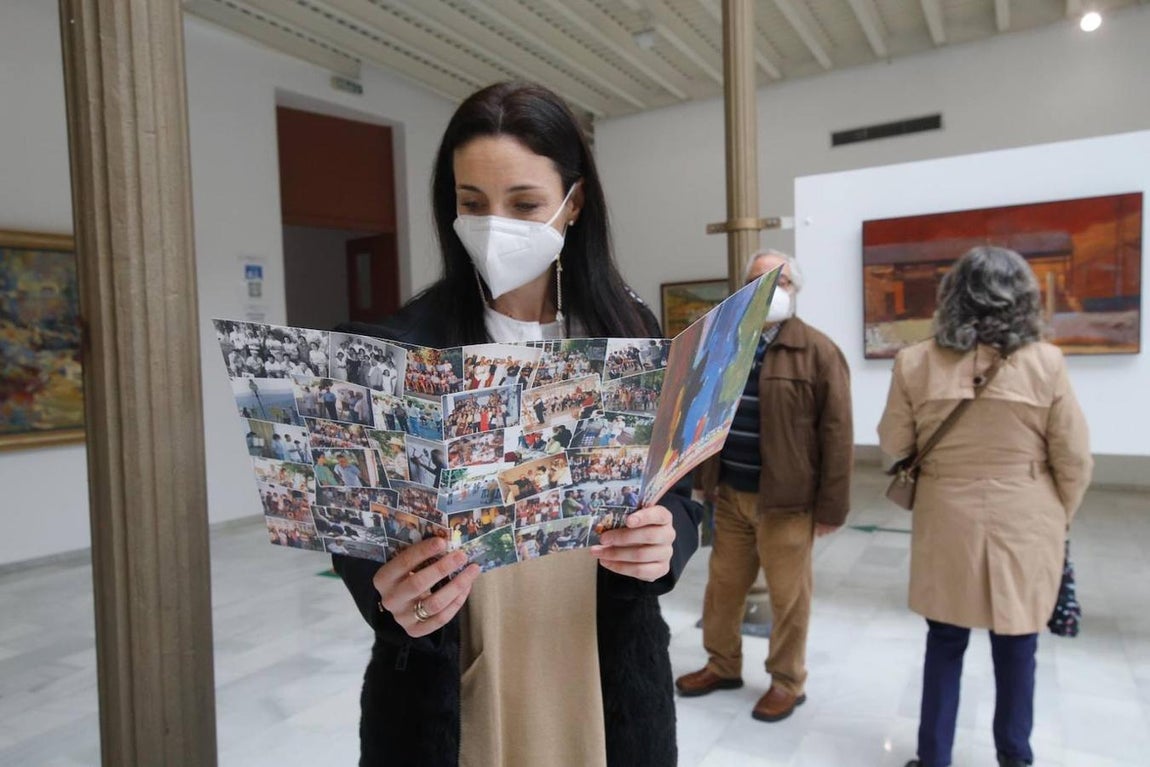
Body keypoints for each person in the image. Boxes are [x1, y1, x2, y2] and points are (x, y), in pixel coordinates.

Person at [330, 82, 703, 767]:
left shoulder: (628, 334)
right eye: (472, 203)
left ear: (574, 202)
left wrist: (668, 542)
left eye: (525, 203)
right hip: (461, 659)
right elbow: (361, 536)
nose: (495, 223)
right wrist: (384, 589)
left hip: (599, 658)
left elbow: (676, 491)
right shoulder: (402, 346)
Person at [878, 247, 1092, 767]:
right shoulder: (1046, 362)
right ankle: (1015, 757)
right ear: (1023, 297)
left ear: (952, 295)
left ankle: (934, 758)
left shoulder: (915, 360)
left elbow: (892, 440)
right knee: (1018, 647)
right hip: (1027, 514)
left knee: (945, 642)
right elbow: (1075, 458)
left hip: (947, 514)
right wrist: (1057, 516)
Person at [678, 249, 853, 723]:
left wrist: (832, 508)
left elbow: (837, 435)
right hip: (731, 493)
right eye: (760, 281)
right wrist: (701, 481)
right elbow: (705, 411)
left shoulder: (817, 352)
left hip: (787, 503)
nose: (771, 290)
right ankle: (722, 664)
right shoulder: (729, 343)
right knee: (722, 588)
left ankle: (787, 682)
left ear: (796, 291)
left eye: (782, 283)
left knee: (788, 599)